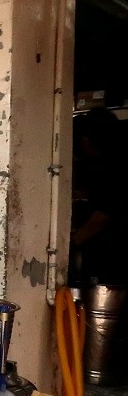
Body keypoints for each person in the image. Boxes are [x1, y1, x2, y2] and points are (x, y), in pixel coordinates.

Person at [70, 108, 128, 285]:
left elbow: (104, 213)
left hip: (113, 251)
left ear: (87, 141)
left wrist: (74, 242)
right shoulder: (108, 160)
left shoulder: (116, 165)